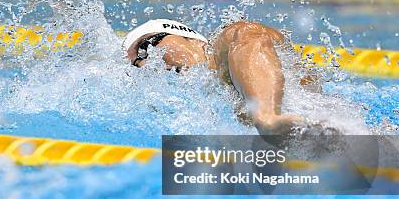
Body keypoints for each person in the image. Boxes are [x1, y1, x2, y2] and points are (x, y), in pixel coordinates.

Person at [123, 18, 312, 135]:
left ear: (193, 39)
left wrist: (266, 118)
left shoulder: (228, 44)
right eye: (136, 66)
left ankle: (269, 116)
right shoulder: (216, 100)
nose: (145, 64)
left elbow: (249, 34)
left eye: (145, 48)